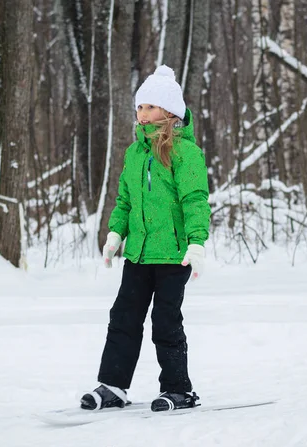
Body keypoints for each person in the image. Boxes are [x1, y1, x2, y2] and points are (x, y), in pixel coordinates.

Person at [81, 65, 211, 412]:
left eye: (150, 107)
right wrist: (114, 233)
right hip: (137, 254)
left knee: (165, 322)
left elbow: (195, 200)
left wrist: (197, 242)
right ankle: (113, 386)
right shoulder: (134, 153)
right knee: (123, 317)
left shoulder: (186, 153)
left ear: (169, 111)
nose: (142, 113)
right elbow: (125, 200)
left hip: (173, 256)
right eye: (139, 107)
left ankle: (179, 389)